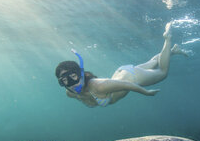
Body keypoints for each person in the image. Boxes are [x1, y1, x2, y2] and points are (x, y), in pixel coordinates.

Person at [55, 22, 187, 107]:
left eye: (73, 77)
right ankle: (173, 51)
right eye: (65, 81)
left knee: (162, 72)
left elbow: (127, 85)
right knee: (152, 63)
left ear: (81, 74)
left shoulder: (98, 86)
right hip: (121, 73)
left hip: (132, 77)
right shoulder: (70, 93)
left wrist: (146, 93)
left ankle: (167, 39)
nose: (72, 83)